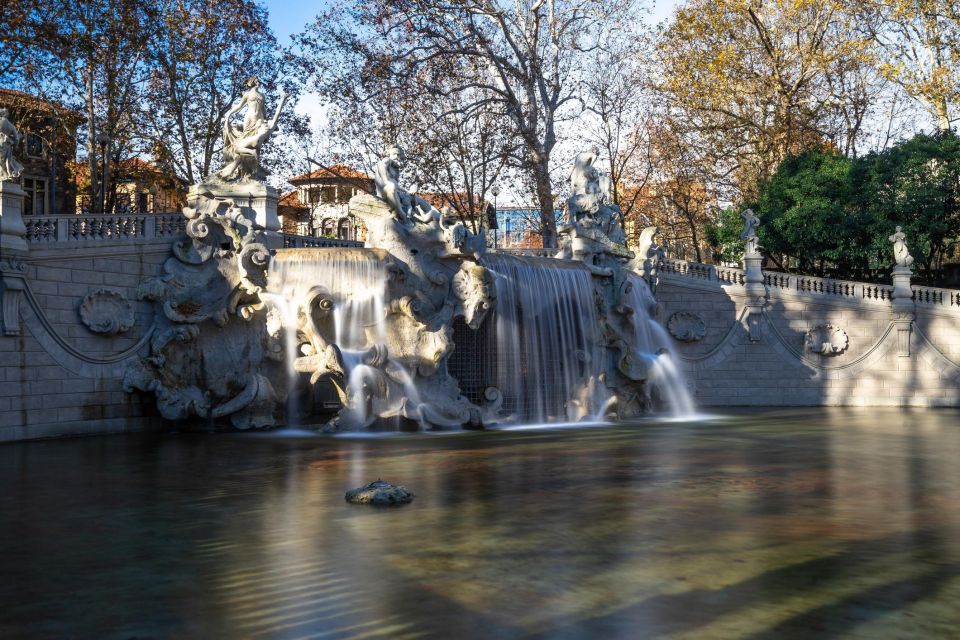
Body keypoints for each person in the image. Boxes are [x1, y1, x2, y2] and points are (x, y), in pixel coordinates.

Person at [216, 77, 288, 182]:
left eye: (259, 81)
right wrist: (229, 115)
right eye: (257, 81)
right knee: (247, 141)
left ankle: (251, 172)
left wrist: (267, 120)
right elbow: (239, 106)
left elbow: (263, 110)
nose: (259, 83)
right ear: (252, 83)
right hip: (249, 119)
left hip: (259, 119)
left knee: (255, 144)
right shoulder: (247, 94)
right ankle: (243, 171)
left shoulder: (262, 95)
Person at [0, 108, 24, 181]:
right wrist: (15, 145)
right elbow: (17, 139)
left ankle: (5, 175)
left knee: (2, 161)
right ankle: (7, 174)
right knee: (6, 160)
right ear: (6, 115)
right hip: (7, 145)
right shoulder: (11, 126)